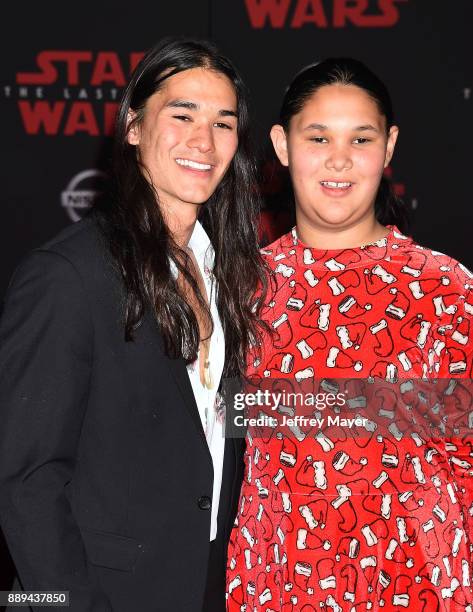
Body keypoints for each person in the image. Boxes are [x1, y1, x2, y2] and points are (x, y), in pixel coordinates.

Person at [0, 37, 267, 612]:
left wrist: (414, 405)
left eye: (224, 123)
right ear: (133, 127)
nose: (204, 140)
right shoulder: (68, 274)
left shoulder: (232, 270)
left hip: (210, 586)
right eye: (182, 114)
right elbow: (25, 479)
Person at [226, 58, 473, 610]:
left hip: (419, 585)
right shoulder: (240, 289)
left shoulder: (444, 289)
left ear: (388, 148)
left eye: (360, 138)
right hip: (277, 582)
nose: (339, 158)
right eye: (318, 137)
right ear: (281, 145)